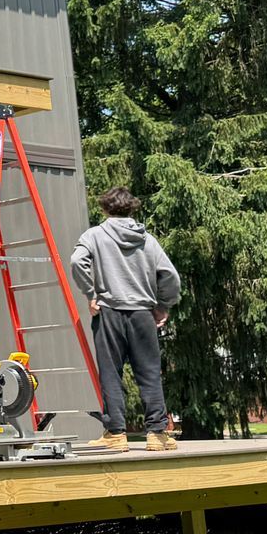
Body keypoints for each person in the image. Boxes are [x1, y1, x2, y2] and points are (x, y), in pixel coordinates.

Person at [69, 186, 182, 450]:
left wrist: (91, 293)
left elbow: (77, 262)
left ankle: (116, 434)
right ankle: (156, 434)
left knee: (111, 373)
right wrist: (163, 305)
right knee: (150, 373)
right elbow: (170, 276)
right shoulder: (147, 240)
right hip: (143, 314)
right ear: (132, 208)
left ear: (105, 208)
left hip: (108, 312)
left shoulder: (95, 235)